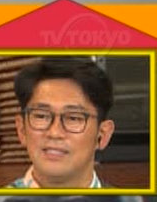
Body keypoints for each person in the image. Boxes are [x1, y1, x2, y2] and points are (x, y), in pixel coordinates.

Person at [7, 56, 116, 190]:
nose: (54, 133)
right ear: (21, 130)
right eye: (41, 116)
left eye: (73, 118)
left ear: (102, 135)